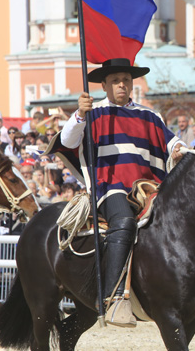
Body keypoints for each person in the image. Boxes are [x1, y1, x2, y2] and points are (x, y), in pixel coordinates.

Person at [48, 58, 186, 327]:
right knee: (123, 222)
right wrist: (79, 115)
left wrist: (179, 148)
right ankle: (111, 296)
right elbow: (67, 141)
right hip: (111, 190)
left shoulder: (150, 115)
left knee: (188, 216)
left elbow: (173, 141)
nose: (121, 84)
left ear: (132, 83)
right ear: (104, 85)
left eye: (125, 79)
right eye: (115, 80)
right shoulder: (93, 113)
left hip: (150, 189)